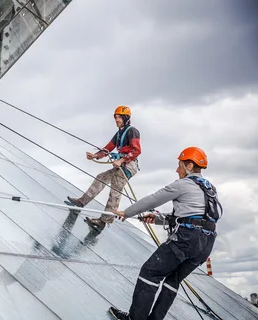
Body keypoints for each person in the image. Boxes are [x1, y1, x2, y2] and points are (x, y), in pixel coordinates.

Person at [109, 147, 223, 320]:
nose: (177, 169)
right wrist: (156, 219)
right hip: (206, 245)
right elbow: (192, 217)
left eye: (179, 165)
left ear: (189, 166)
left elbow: (154, 198)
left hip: (187, 240)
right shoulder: (209, 189)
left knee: (150, 273)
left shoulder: (183, 184)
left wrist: (127, 212)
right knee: (172, 281)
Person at [66, 105, 141, 230]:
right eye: (115, 117)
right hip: (122, 163)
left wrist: (122, 160)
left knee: (115, 190)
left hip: (129, 165)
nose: (117, 120)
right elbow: (108, 148)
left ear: (126, 118)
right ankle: (81, 202)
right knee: (101, 178)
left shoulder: (132, 131)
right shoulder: (119, 133)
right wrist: (95, 156)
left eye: (119, 117)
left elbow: (137, 150)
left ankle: (103, 221)